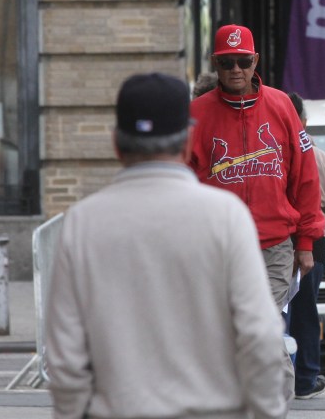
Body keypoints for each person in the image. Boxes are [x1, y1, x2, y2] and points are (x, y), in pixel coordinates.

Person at [46, 73, 286, 419]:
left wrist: (70, 412)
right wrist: (266, 411)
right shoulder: (225, 216)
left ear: (116, 143)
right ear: (189, 140)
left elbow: (65, 355)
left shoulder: (83, 223)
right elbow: (260, 336)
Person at [190, 25, 325, 309]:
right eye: (227, 62)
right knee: (235, 333)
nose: (236, 69)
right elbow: (182, 182)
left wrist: (305, 242)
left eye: (244, 61)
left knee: (261, 325)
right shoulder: (197, 113)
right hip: (217, 249)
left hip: (274, 247)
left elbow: (306, 178)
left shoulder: (282, 105)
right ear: (216, 63)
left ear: (256, 61)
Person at [286, 92, 325, 400]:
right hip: (311, 245)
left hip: (297, 242)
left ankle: (293, 377)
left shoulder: (277, 155)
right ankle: (304, 378)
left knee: (281, 312)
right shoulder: (317, 156)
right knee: (304, 311)